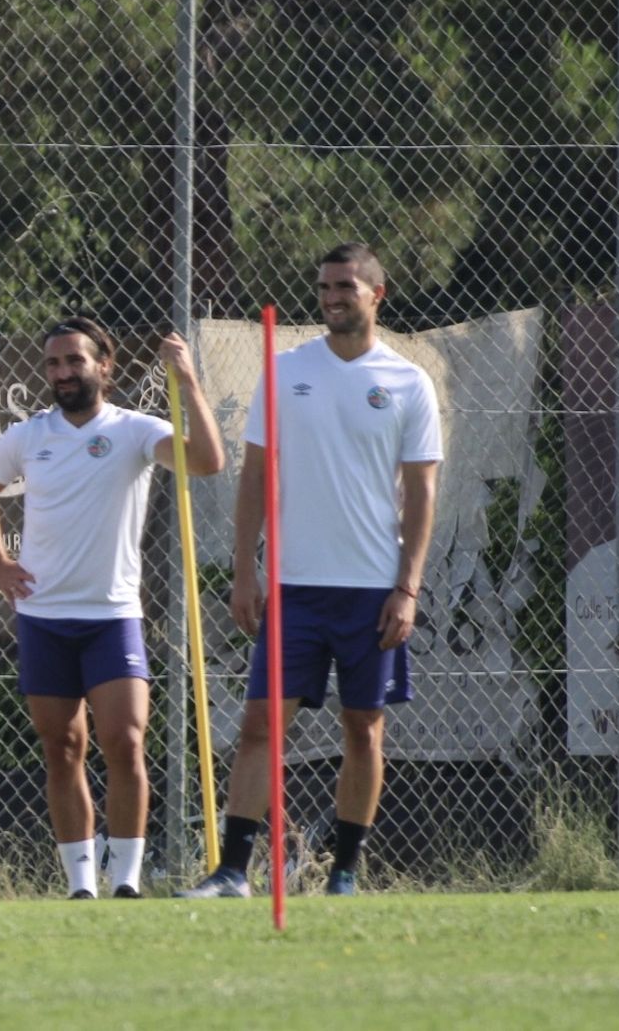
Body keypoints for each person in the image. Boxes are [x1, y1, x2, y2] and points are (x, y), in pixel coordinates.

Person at [177, 243, 442, 899]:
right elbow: (255, 477)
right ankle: (234, 871)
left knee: (363, 729)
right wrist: (247, 569)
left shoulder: (409, 382)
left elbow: (423, 494)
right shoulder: (285, 370)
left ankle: (345, 873)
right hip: (293, 588)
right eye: (323, 286)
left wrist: (407, 587)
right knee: (259, 724)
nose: (330, 297)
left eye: (345, 285)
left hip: (373, 591)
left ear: (377, 293)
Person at [0, 317, 223, 899]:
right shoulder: (29, 436)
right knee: (63, 747)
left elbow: (208, 460)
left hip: (112, 617)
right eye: (54, 363)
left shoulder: (134, 431)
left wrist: (187, 382)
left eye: (75, 361)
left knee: (126, 742)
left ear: (104, 366)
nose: (62, 373)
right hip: (43, 619)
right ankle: (82, 884)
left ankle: (126, 879)